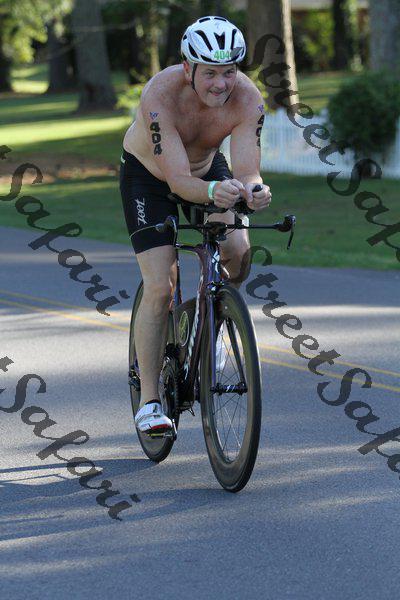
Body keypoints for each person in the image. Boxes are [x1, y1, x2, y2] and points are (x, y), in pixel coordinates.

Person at [120, 15, 272, 436]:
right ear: (188, 68)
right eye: (210, 73)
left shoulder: (248, 99)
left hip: (207, 171)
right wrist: (213, 192)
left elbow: (248, 170)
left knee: (238, 250)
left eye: (229, 72)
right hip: (150, 179)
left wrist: (254, 190)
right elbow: (177, 181)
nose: (221, 84)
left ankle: (215, 318)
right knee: (160, 286)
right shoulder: (160, 97)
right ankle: (150, 401)